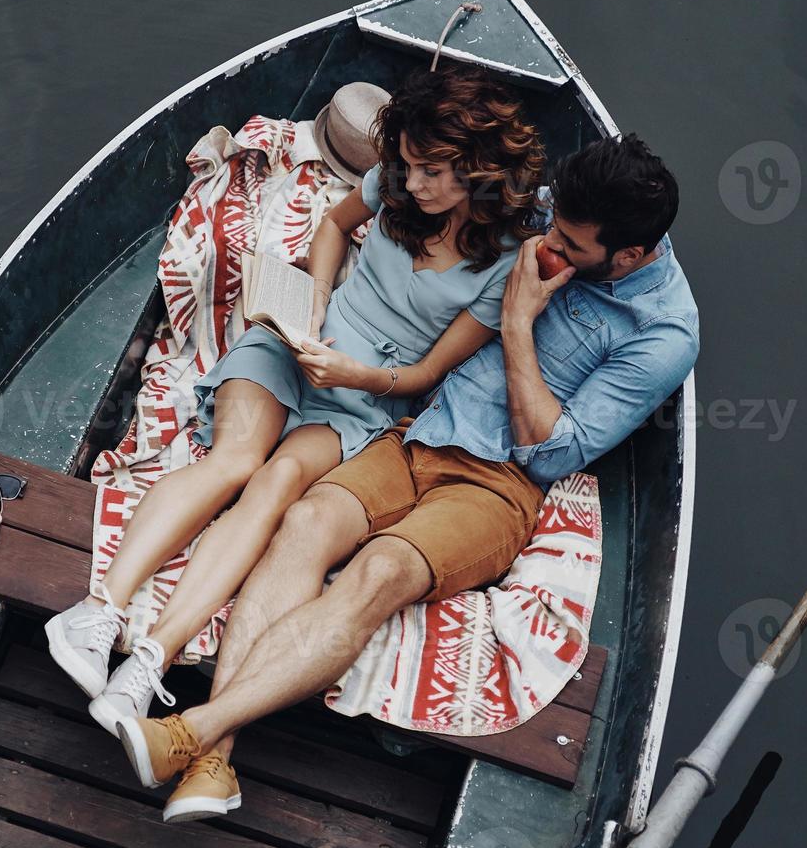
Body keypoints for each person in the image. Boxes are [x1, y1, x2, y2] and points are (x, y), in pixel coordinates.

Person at [113, 132, 701, 824]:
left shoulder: (663, 334)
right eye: (554, 230)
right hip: (416, 432)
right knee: (303, 522)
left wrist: (517, 326)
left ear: (627, 255)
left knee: (380, 572)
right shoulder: (549, 213)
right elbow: (453, 192)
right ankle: (215, 764)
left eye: (571, 247)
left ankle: (192, 733)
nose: (551, 247)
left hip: (497, 485)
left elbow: (552, 453)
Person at [46, 66, 549, 740]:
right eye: (408, 167)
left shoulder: (504, 260)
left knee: (277, 481)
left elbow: (428, 372)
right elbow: (333, 231)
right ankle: (96, 611)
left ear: (482, 168)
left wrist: (354, 374)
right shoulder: (397, 182)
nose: (416, 184)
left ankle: (148, 660)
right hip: (300, 339)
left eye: (434, 172)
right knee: (235, 462)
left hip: (364, 397)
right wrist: (313, 301)